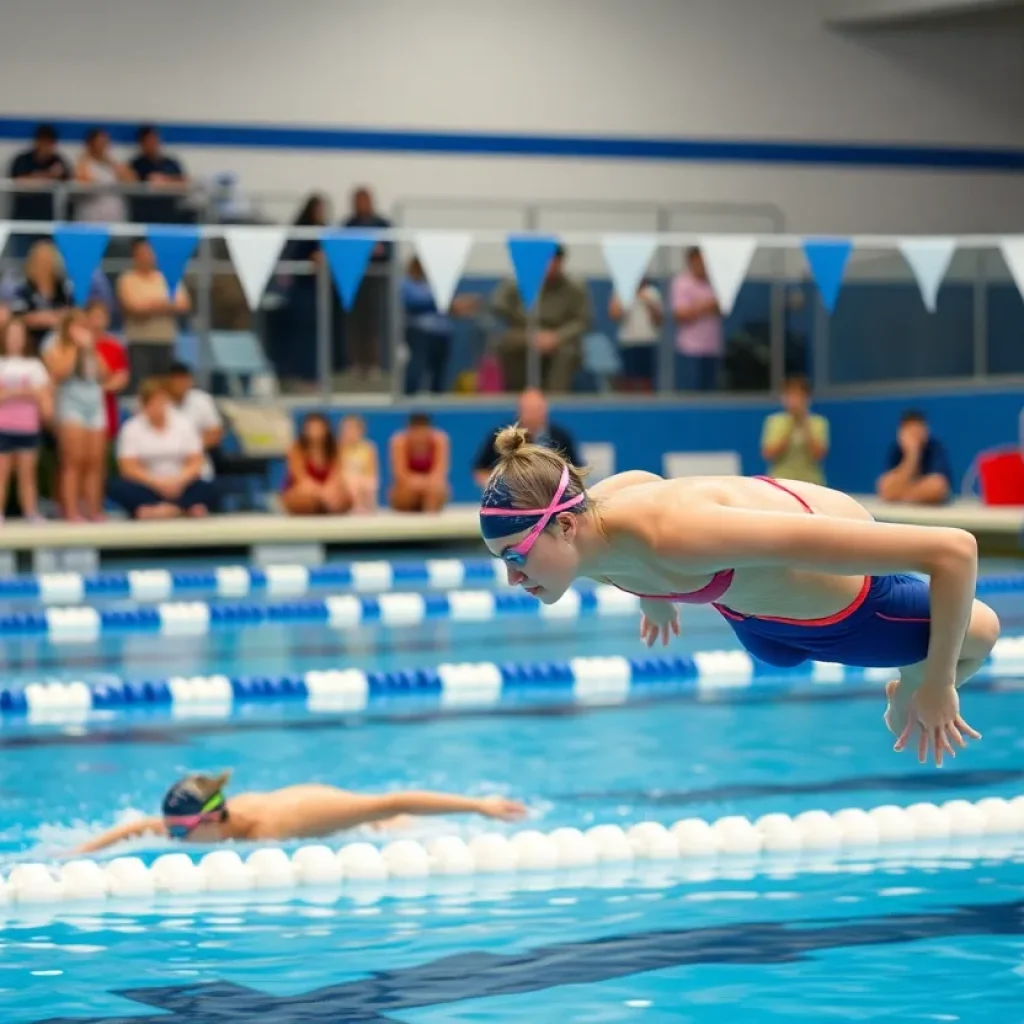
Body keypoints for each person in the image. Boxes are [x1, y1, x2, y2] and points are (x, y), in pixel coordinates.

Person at [478, 427, 1000, 767]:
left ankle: (910, 677)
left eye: (514, 556)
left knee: (983, 633)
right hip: (759, 618)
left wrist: (935, 684)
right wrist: (653, 596)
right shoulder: (591, 523)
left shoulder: (680, 534)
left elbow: (953, 551)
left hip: (853, 613)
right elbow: (643, 480)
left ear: (565, 526)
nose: (512, 578)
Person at [73, 770, 526, 854]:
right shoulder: (208, 825)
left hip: (381, 829)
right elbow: (138, 827)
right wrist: (77, 854)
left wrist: (479, 807)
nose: (171, 838)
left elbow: (390, 802)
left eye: (179, 831)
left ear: (211, 819)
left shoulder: (289, 822)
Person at [108, 377, 217, 519]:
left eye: (161, 401)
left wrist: (179, 480)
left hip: (180, 483)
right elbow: (128, 467)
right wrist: (157, 483)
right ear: (144, 405)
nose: (158, 407)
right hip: (147, 484)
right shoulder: (131, 428)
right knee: (118, 488)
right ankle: (182, 509)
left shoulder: (184, 424)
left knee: (210, 487)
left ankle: (165, 510)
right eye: (153, 402)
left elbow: (196, 461)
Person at [41, 309, 110, 522]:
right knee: (73, 461)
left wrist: (90, 350)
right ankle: (71, 511)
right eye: (76, 326)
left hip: (95, 406)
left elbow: (104, 374)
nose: (82, 330)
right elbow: (59, 373)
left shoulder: (91, 348)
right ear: (67, 328)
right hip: (71, 406)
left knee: (95, 461)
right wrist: (76, 348)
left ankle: (93, 509)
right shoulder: (56, 347)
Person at [473, 388, 580, 488]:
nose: (533, 415)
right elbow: (480, 470)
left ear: (545, 410)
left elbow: (576, 471)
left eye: (537, 409)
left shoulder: (561, 438)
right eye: (529, 410)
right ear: (519, 411)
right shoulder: (502, 437)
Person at [0, 317, 51, 521]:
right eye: (11, 334)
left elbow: (42, 395)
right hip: (3, 427)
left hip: (27, 428)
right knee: (2, 474)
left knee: (27, 475)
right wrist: (26, 391)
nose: (15, 339)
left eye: (18, 335)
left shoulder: (34, 366)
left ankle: (30, 511)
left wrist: (10, 392)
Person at [671, 247, 724, 391]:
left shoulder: (715, 283)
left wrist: (700, 307)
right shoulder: (681, 283)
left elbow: (723, 308)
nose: (703, 266)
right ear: (691, 261)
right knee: (690, 394)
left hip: (712, 348)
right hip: (690, 350)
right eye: (700, 262)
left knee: (710, 392)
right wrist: (708, 306)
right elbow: (680, 315)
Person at [760, 376, 830, 485]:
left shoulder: (818, 422)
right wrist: (790, 425)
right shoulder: (774, 421)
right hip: (780, 482)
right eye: (790, 395)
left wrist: (804, 424)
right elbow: (769, 454)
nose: (794, 400)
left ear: (807, 398)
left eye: (798, 396)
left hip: (811, 483)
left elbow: (818, 455)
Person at [877, 410, 953, 506]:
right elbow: (885, 487)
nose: (914, 436)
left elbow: (938, 487)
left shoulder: (934, 448)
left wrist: (899, 494)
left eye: (917, 430)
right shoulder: (896, 449)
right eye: (910, 432)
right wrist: (912, 455)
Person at [281, 412, 351, 515]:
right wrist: (320, 493)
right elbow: (301, 479)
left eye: (318, 427)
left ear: (326, 429)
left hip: (328, 493)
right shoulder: (296, 449)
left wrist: (328, 492)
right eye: (311, 428)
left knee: (345, 499)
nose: (315, 431)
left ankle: (324, 507)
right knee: (304, 501)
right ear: (305, 430)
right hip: (304, 491)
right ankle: (319, 507)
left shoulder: (335, 449)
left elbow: (336, 477)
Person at [389, 412, 449, 513]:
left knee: (436, 490)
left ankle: (431, 519)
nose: (419, 437)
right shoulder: (399, 441)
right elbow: (400, 473)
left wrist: (425, 484)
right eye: (416, 432)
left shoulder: (439, 440)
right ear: (409, 431)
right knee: (405, 493)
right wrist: (418, 483)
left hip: (430, 487)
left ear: (429, 430)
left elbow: (439, 471)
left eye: (423, 432)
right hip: (407, 488)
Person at [338, 414, 379, 513]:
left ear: (362, 431)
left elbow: (372, 472)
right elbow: (336, 471)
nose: (350, 433)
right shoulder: (337, 448)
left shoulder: (369, 448)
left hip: (363, 482)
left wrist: (363, 482)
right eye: (347, 429)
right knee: (350, 482)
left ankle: (364, 507)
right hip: (343, 482)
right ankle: (352, 506)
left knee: (366, 483)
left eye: (354, 429)